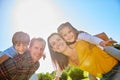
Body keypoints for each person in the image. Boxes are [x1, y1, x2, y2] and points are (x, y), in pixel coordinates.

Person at [47, 33, 120, 80]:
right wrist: (57, 77)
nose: (57, 43)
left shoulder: (79, 43)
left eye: (58, 39)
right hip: (105, 76)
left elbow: (102, 35)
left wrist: (107, 44)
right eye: (53, 43)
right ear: (53, 49)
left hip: (116, 68)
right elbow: (60, 68)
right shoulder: (67, 60)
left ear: (64, 40)